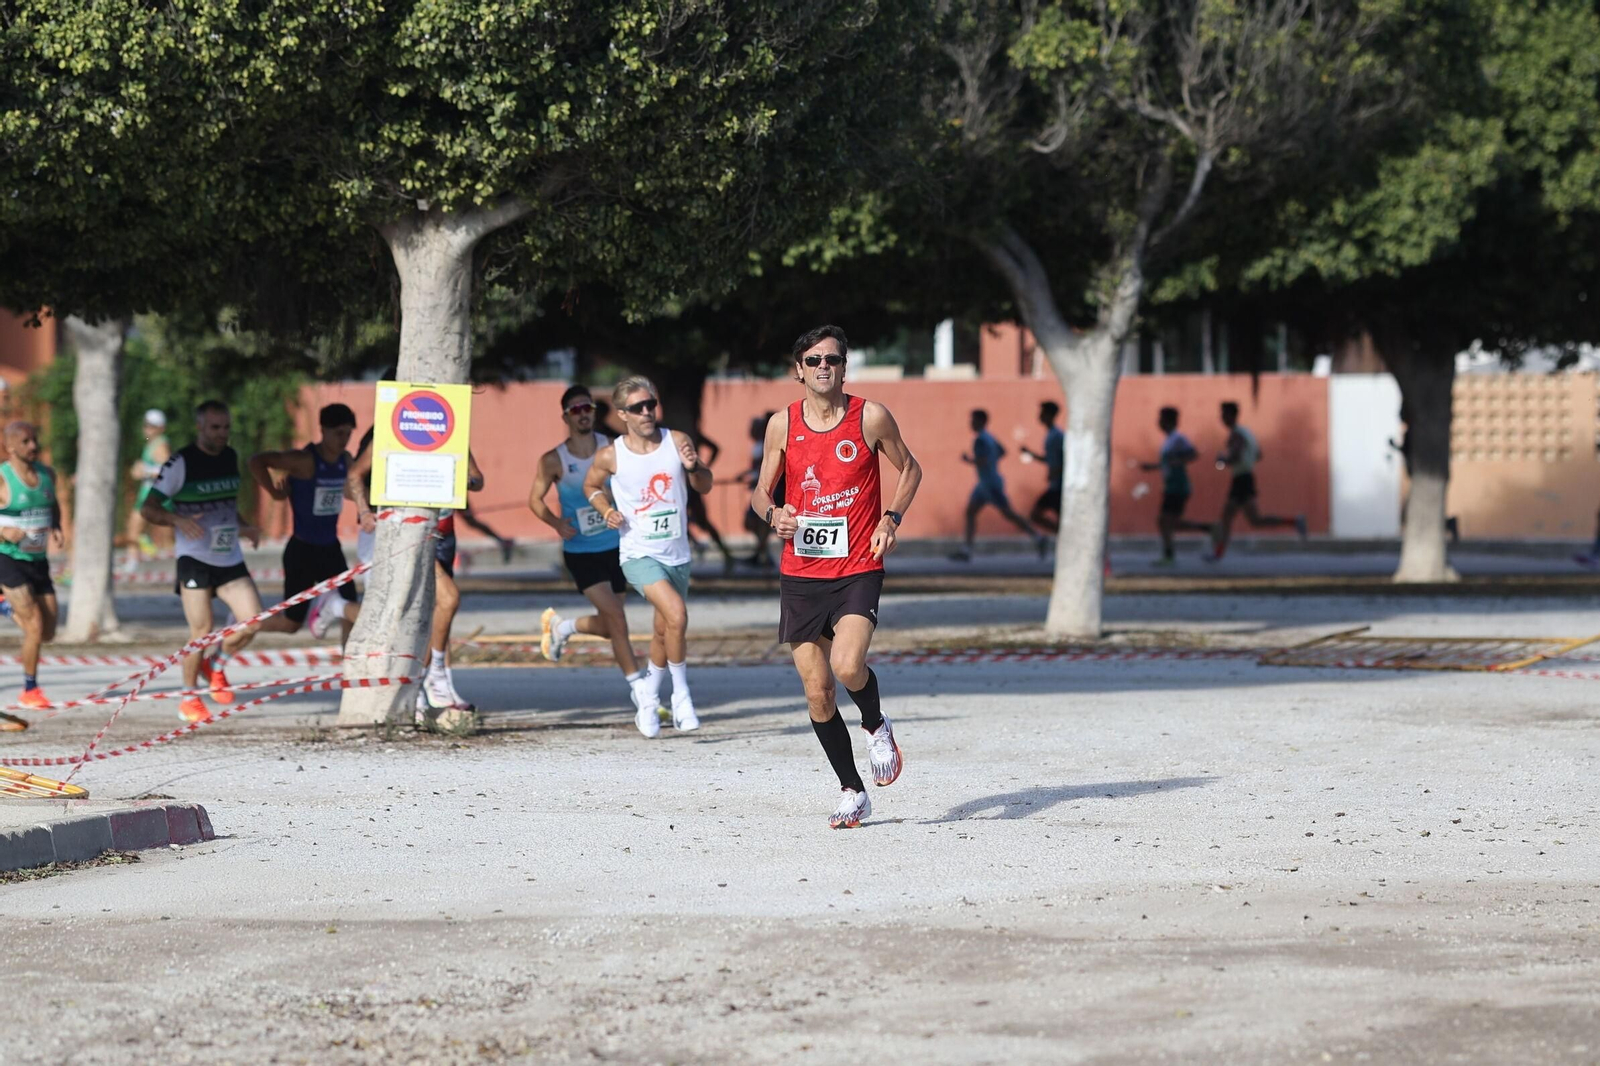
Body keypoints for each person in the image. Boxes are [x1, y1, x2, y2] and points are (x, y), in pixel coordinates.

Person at [750, 325, 923, 829]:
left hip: (857, 566)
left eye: (832, 358)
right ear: (798, 369)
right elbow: (761, 491)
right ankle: (852, 789)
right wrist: (772, 514)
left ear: (845, 367)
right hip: (801, 572)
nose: (823, 366)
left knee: (848, 665)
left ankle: (875, 724)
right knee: (818, 692)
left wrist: (890, 519)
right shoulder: (781, 424)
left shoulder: (869, 416)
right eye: (813, 359)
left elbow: (910, 469)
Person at [583, 375, 712, 737]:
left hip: (677, 554)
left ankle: (648, 701)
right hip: (638, 553)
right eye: (638, 407)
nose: (647, 412)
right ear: (622, 413)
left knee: (663, 630)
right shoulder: (611, 454)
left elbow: (705, 484)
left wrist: (694, 468)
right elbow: (590, 485)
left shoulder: (677, 441)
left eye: (651, 404)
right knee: (676, 614)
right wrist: (605, 508)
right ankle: (682, 696)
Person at [528, 385, 657, 728]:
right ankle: (640, 691)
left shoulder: (612, 448)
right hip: (581, 552)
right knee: (617, 618)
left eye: (586, 407)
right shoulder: (554, 459)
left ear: (594, 412)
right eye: (574, 410)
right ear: (566, 417)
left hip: (617, 546)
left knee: (613, 623)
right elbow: (535, 500)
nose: (582, 413)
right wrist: (556, 523)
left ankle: (561, 627)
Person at [141, 401, 265, 723]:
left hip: (229, 558)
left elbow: (226, 505)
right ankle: (189, 696)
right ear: (200, 427)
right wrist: (177, 521)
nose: (222, 434)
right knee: (201, 630)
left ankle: (216, 663)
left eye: (226, 427)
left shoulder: (230, 457)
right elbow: (148, 508)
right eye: (215, 428)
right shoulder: (181, 462)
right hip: (194, 558)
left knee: (253, 621)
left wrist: (245, 526)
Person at [348, 428, 485, 718]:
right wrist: (364, 512)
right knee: (447, 600)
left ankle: (437, 686)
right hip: (410, 535)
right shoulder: (389, 434)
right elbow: (353, 476)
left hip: (444, 538)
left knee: (435, 617)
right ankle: (427, 682)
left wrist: (465, 479)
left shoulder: (453, 431)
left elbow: (477, 480)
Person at [248, 404, 360, 647]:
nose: (344, 439)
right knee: (291, 624)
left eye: (348, 433)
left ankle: (351, 669)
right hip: (302, 551)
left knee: (352, 609)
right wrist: (274, 493)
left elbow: (351, 491)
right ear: (323, 430)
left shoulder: (345, 460)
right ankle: (244, 622)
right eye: (338, 433)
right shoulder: (304, 460)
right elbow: (257, 461)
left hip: (331, 549)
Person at [0, 421, 64, 721]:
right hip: (8, 559)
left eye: (35, 440)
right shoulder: (3, 478)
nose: (33, 446)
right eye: (25, 442)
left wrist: (58, 526)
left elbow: (53, 504)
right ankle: (30, 689)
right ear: (11, 446)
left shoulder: (46, 474)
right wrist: (4, 531)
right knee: (34, 625)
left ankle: (3, 606)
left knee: (48, 631)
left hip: (38, 561)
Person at [1206, 401, 1307, 561]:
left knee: (1228, 517)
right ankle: (1294, 521)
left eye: (1224, 414)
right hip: (1246, 478)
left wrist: (1221, 461)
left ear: (1231, 415)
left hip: (1241, 479)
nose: (1222, 418)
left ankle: (1217, 554)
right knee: (1255, 520)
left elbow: (1234, 457)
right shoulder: (1247, 433)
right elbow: (1258, 455)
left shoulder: (1236, 435)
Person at [950, 409, 1047, 562]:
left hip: (990, 484)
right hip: (984, 484)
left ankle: (1038, 537)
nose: (971, 423)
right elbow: (1003, 451)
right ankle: (966, 550)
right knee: (970, 512)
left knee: (1008, 514)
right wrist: (991, 460)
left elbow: (982, 460)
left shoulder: (981, 440)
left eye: (973, 420)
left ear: (981, 421)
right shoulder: (989, 437)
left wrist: (968, 460)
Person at [1139, 407, 1210, 566]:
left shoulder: (1178, 438)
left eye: (1161, 419)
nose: (1159, 422)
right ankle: (1207, 529)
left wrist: (1179, 461)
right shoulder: (1169, 440)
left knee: (1165, 521)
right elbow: (1167, 463)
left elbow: (1193, 454)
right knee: (1169, 522)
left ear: (1169, 421)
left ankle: (1169, 554)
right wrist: (1152, 467)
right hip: (1171, 485)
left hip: (1178, 485)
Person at [680, 427, 735, 572]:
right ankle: (696, 545)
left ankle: (724, 553)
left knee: (702, 521)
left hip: (692, 486)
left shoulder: (686, 437)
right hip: (677, 487)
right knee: (679, 519)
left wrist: (703, 470)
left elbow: (715, 448)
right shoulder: (671, 437)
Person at [122, 409, 171, 569]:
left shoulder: (160, 444)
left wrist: (145, 471)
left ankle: (135, 559)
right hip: (147, 492)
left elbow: (168, 471)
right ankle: (134, 558)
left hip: (153, 494)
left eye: (151, 426)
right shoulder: (151, 442)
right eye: (146, 425)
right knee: (134, 527)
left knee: (136, 527)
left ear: (160, 428)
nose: (147, 429)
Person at [739, 411, 780, 568]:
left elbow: (763, 468)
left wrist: (754, 478)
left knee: (761, 521)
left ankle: (762, 553)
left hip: (768, 490)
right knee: (753, 522)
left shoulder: (766, 444)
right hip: (758, 488)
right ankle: (762, 552)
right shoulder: (757, 444)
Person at [1020, 400, 1064, 534]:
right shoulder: (1050, 435)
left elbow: (1068, 460)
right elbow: (1049, 459)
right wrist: (1031, 454)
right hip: (1054, 486)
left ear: (1050, 415)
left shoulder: (1058, 436)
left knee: (1036, 514)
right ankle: (1063, 535)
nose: (1040, 415)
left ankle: (1063, 536)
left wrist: (1057, 472)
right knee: (1038, 515)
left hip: (1060, 486)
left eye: (1043, 413)